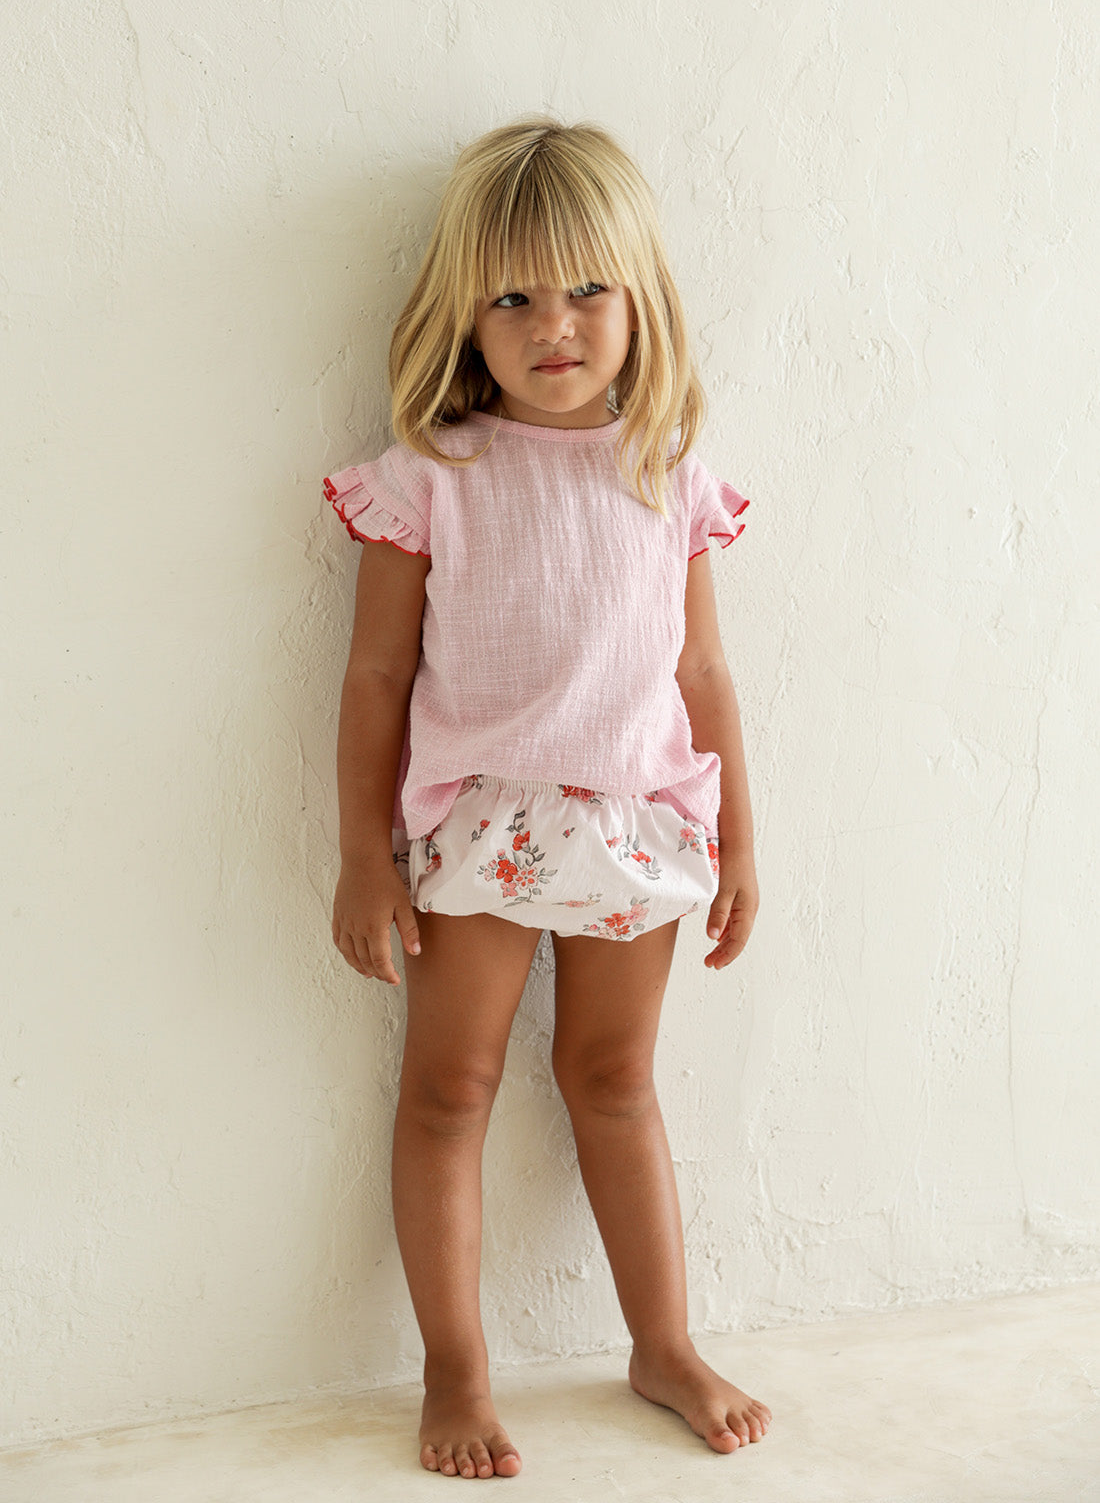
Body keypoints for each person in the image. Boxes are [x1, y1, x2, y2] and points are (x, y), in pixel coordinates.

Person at [323, 116, 771, 1480]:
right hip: (484, 829)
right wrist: (361, 854)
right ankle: (456, 1368)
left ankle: (662, 1343)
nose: (552, 324)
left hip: (641, 823)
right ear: (467, 316)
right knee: (449, 1088)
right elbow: (376, 676)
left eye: (585, 289)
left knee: (615, 1084)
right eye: (512, 297)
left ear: (640, 297)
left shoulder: (666, 468)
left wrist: (740, 836)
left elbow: (701, 664)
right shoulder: (436, 475)